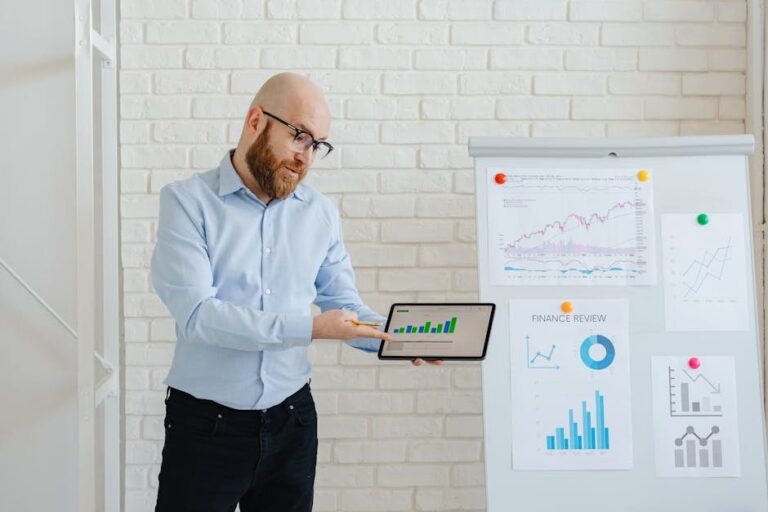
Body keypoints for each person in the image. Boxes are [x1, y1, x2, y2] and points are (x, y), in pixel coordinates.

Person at [150, 72, 441, 512]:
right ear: (254, 121)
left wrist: (395, 338)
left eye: (317, 145)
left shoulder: (319, 214)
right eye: (299, 136)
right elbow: (199, 316)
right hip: (207, 426)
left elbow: (343, 307)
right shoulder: (187, 203)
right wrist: (311, 329)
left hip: (292, 421)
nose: (306, 157)